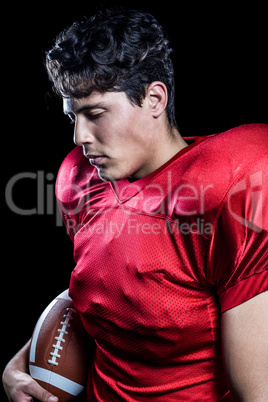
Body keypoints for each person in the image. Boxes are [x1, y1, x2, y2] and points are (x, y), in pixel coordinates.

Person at [2, 8, 268, 402]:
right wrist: (23, 362)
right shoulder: (79, 179)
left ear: (154, 98)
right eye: (72, 116)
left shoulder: (229, 187)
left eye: (95, 114)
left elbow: (257, 392)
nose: (79, 136)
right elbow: (106, 285)